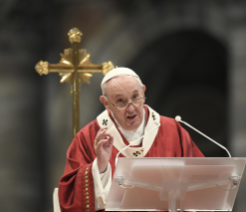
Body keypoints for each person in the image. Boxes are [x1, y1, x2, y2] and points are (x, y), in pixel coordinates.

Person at [58, 67, 205, 212]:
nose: (131, 108)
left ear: (143, 92)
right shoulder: (89, 137)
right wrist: (100, 167)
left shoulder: (172, 130)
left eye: (135, 97)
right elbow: (70, 197)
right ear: (106, 103)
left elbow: (201, 183)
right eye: (121, 101)